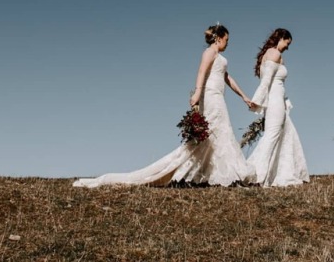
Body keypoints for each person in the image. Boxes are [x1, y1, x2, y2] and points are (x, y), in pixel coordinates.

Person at [73, 24, 255, 187]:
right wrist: (198, 93)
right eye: (226, 39)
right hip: (210, 96)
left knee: (220, 132)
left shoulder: (219, 57)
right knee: (216, 131)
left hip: (218, 96)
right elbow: (201, 72)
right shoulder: (209, 53)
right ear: (218, 38)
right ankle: (217, 173)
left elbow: (227, 78)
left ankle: (219, 172)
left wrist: (244, 97)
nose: (228, 43)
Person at [247, 28, 309, 187]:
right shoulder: (274, 54)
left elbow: (276, 83)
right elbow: (266, 81)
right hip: (274, 102)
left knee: (283, 135)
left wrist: (285, 100)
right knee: (272, 136)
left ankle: (274, 174)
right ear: (281, 38)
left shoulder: (269, 54)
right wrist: (257, 101)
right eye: (287, 43)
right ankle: (258, 176)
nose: (288, 47)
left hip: (278, 100)